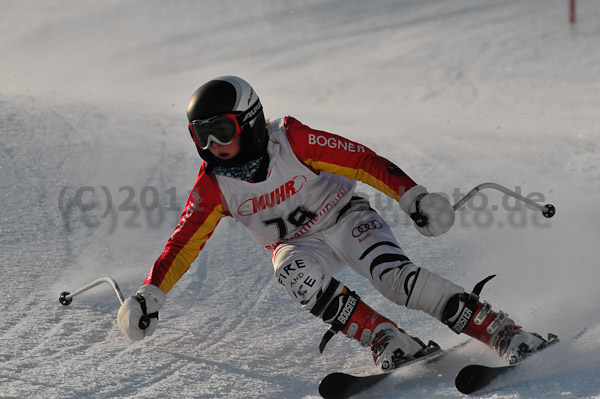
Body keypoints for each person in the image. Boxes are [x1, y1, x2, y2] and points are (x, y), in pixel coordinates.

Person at [117, 76, 552, 370]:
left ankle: (499, 330)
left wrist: (412, 196)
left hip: (344, 217)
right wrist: (150, 293)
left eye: (222, 131)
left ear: (248, 121)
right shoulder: (214, 186)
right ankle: (385, 338)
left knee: (394, 279)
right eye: (201, 135)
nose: (214, 145)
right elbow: (183, 243)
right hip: (300, 246)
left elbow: (361, 161)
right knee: (292, 272)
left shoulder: (291, 140)